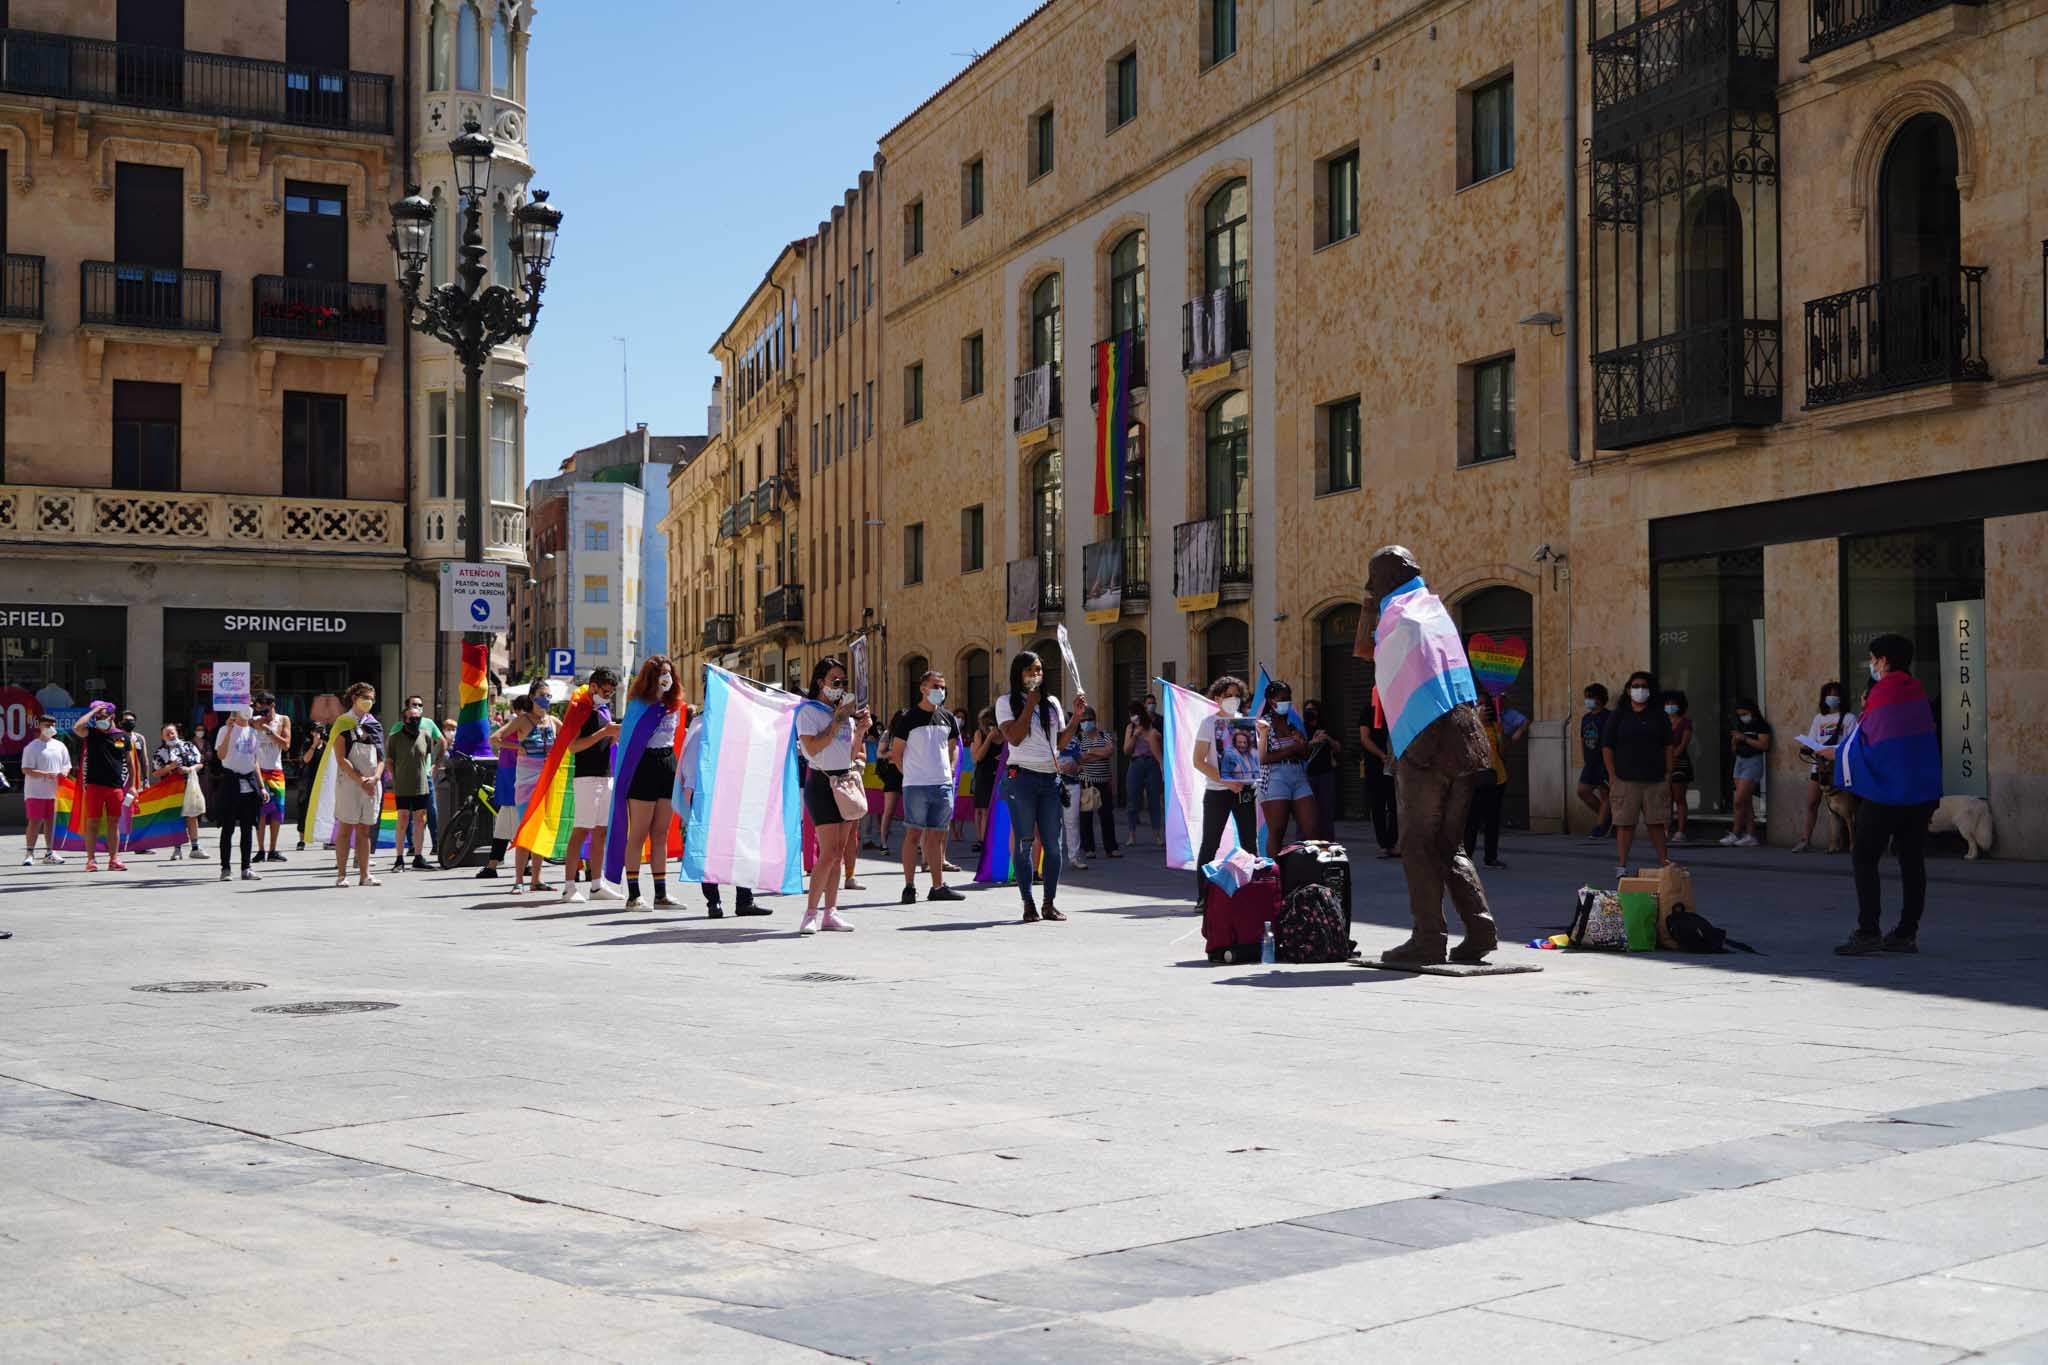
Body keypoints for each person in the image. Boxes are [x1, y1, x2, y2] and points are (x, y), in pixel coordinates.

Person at [1351, 546, 1500, 966]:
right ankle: (1480, 929)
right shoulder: (1435, 612)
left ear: (1383, 580)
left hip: (1426, 742)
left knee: (1416, 844)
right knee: (1449, 845)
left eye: (1373, 578)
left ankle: (1428, 939)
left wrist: (1368, 601)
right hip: (1467, 740)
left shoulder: (1401, 616)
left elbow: (1365, 649)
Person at [1828, 633, 1940, 955]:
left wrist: (1836, 754)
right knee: (1912, 861)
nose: (1872, 664)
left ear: (1885, 661)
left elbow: (1869, 742)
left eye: (1874, 658)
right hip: (1919, 792)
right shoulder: (1916, 691)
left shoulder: (1883, 692)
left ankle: (1868, 930)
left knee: (1864, 855)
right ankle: (1906, 932)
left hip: (1886, 792)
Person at [995, 649, 1081, 923]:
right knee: (1024, 842)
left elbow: (1060, 743)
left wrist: (1077, 717)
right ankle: (1028, 902)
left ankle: (1049, 902)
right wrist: (1029, 704)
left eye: (1040, 670)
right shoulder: (1006, 702)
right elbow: (1016, 739)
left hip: (1050, 779)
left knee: (1054, 846)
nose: (1036, 675)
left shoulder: (1052, 703)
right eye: (1030, 670)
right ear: (1018, 674)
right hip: (1022, 778)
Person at [796, 657, 868, 934]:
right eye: (835, 681)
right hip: (822, 783)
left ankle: (831, 911)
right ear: (820, 683)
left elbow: (849, 754)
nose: (840, 687)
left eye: (843, 682)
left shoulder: (845, 715)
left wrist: (859, 731)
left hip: (844, 781)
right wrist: (837, 722)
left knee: (838, 853)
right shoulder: (809, 712)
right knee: (827, 853)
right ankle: (810, 912)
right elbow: (812, 749)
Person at [889, 668, 967, 904]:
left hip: (942, 784)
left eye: (943, 687)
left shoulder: (948, 718)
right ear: (923, 689)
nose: (940, 691)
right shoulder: (908, 719)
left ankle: (937, 886)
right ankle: (909, 887)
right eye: (935, 686)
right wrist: (909, 776)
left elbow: (953, 747)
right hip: (916, 786)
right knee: (913, 834)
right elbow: (897, 754)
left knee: (936, 836)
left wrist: (952, 769)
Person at [678, 707, 765, 917]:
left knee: (741, 847)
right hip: (707, 797)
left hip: (734, 795)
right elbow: (690, 766)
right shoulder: (701, 728)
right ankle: (713, 902)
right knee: (710, 851)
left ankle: (745, 900)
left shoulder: (735, 727)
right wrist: (692, 796)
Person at [619, 656, 683, 910]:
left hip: (667, 764)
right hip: (643, 767)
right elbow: (629, 741)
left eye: (669, 673)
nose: (666, 678)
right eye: (661, 674)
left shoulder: (674, 705)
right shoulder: (637, 705)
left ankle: (661, 894)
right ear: (650, 678)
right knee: (638, 833)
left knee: (661, 833)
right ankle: (633, 895)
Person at [1601, 670, 1675, 879]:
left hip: (1655, 778)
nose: (1639, 690)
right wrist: (1612, 775)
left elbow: (1668, 745)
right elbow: (1607, 746)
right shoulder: (1619, 715)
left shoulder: (1659, 715)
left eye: (1643, 686)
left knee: (1657, 822)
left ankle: (1664, 862)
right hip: (1625, 779)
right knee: (1625, 824)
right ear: (1628, 689)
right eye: (1635, 686)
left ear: (1650, 690)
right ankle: (1622, 865)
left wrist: (1669, 772)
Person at [1192, 675, 1259, 903]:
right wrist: (1225, 781)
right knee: (1211, 843)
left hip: (1244, 791)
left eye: (1236, 696)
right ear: (1218, 697)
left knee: (1250, 843)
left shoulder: (1246, 722)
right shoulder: (1209, 723)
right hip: (1217, 792)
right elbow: (1199, 760)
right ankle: (1203, 897)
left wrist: (1264, 733)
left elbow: (1254, 757)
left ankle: (1253, 893)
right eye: (1227, 696)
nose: (1232, 700)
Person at [560, 668, 622, 902]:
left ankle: (597, 885)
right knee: (581, 829)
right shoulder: (580, 709)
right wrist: (604, 732)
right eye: (605, 691)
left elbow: (603, 736)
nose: (608, 696)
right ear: (593, 686)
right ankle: (569, 886)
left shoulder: (602, 710)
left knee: (601, 830)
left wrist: (611, 734)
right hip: (586, 777)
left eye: (611, 693)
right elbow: (573, 746)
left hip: (605, 774)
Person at [481, 694, 547, 891]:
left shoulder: (546, 723)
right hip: (516, 777)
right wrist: (519, 747)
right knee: (517, 828)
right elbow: (495, 739)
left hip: (528, 778)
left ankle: (500, 865)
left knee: (517, 828)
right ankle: (512, 873)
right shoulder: (519, 723)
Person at [72, 702, 139, 872]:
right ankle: (91, 860)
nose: (100, 720)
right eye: (98, 718)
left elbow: (130, 764)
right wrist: (94, 711)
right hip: (95, 786)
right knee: (92, 822)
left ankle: (114, 859)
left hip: (115, 787)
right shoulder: (92, 733)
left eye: (104, 717)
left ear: (112, 717)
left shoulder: (122, 736)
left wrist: (132, 786)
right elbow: (77, 727)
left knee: (114, 822)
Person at [331, 683, 385, 888]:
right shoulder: (342, 723)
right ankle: (341, 874)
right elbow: (341, 758)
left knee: (365, 830)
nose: (369, 701)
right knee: (346, 828)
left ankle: (365, 875)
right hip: (350, 783)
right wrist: (360, 779)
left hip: (372, 783)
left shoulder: (374, 724)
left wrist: (376, 778)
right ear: (354, 698)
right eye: (366, 697)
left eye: (372, 697)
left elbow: (381, 756)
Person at [1257, 680, 1319, 853]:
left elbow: (1305, 755)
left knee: (1312, 829)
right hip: (1275, 778)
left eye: (1289, 698)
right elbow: (1262, 758)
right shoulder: (1263, 725)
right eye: (1282, 699)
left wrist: (1303, 746)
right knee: (1277, 831)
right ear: (1271, 701)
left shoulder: (1292, 722)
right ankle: (1275, 874)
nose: (1286, 702)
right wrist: (1292, 748)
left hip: (1298, 775)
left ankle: (1313, 872)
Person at [383, 696, 442, 873]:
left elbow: (429, 756)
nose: (415, 721)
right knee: (402, 819)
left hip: (421, 785)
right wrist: (395, 778)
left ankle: (418, 857)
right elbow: (390, 761)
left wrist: (433, 768)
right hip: (402, 785)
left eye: (417, 718)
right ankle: (399, 858)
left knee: (420, 819)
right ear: (404, 720)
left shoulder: (426, 735)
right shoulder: (394, 738)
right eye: (411, 718)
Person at [1794, 681, 1853, 854]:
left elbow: (1851, 742)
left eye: (1835, 695)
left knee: (1844, 809)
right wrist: (1807, 747)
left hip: (1839, 767)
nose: (1832, 698)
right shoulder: (1819, 718)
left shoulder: (1849, 718)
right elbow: (1813, 739)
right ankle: (1805, 839)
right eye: (1829, 695)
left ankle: (1844, 842)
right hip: (1819, 767)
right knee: (1812, 802)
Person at [212, 711, 270, 882]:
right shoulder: (224, 730)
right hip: (231, 783)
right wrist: (230, 730)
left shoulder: (253, 732)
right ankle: (226, 868)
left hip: (249, 786)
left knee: (248, 829)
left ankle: (246, 868)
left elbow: (255, 761)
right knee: (227, 829)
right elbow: (221, 755)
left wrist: (261, 786)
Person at [1462, 692, 1509, 869]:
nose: (1482, 708)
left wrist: (1502, 735)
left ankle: (1491, 856)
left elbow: (1503, 753)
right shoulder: (1469, 728)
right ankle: (1467, 857)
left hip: (1497, 778)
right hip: (1475, 779)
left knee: (1493, 820)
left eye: (1485, 705)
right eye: (1478, 704)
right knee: (1471, 820)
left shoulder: (1496, 727)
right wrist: (1477, 722)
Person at [244, 692, 292, 862]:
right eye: (258, 707)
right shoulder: (254, 721)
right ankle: (261, 850)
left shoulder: (283, 719)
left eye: (263, 707)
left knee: (277, 812)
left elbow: (286, 745)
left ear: (272, 705)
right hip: (258, 771)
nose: (261, 710)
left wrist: (269, 731)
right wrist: (255, 724)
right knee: (261, 812)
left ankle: (273, 849)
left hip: (276, 771)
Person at [21, 715, 72, 865]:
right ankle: (29, 853)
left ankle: (50, 852)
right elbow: (26, 769)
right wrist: (45, 774)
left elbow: (67, 765)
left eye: (52, 725)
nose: (50, 727)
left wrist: (64, 773)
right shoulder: (32, 747)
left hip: (56, 793)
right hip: (35, 792)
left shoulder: (60, 746)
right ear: (40, 726)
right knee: (35, 822)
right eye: (46, 725)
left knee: (52, 822)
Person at [1723, 697, 1771, 848]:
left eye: (1745, 713)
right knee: (1746, 801)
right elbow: (1733, 747)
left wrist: (1745, 738)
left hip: (1753, 761)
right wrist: (1735, 741)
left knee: (1738, 800)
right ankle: (1751, 834)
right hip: (1740, 760)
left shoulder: (1761, 725)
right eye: (1740, 714)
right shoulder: (1739, 725)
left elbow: (1764, 745)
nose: (1743, 717)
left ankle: (1735, 832)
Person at [153, 723, 206, 861]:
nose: (170, 735)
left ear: (177, 733)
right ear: (162, 736)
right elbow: (156, 773)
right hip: (171, 789)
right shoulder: (160, 752)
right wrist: (170, 767)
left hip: (189, 785)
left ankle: (195, 848)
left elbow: (200, 763)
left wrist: (189, 769)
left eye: (172, 732)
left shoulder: (188, 745)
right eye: (167, 734)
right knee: (175, 817)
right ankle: (177, 849)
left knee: (192, 815)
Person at [1358, 687, 1399, 859]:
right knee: (1378, 806)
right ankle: (1383, 844)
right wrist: (1381, 755)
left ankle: (1393, 842)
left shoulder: (1396, 709)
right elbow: (1364, 738)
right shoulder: (1369, 710)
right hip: (1376, 765)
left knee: (1396, 805)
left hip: (1394, 765)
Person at [1075, 705, 1119, 860]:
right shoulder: (1079, 738)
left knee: (1107, 815)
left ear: (1094, 720)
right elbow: (1080, 758)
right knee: (1086, 815)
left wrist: (1090, 752)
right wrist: (1100, 754)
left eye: (1088, 719)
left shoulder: (1104, 735)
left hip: (1104, 780)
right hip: (1086, 781)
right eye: (1083, 720)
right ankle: (1088, 848)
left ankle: (1111, 848)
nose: (1085, 722)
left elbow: (1110, 750)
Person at [1121, 700, 1164, 847]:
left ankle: (1157, 834)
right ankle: (1131, 835)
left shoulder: (1152, 726)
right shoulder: (1130, 728)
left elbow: (1161, 743)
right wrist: (1135, 735)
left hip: (1152, 763)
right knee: (1133, 799)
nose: (1133, 717)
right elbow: (1126, 750)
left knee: (1154, 800)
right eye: (1130, 715)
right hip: (1136, 763)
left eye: (1134, 714)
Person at [1578, 683, 1613, 840]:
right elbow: (1582, 739)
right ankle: (1607, 817)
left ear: (1599, 698)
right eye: (1586, 697)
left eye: (1589, 697)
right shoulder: (1585, 718)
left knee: (1605, 795)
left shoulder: (1608, 717)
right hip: (1590, 763)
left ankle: (1600, 828)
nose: (1587, 701)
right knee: (1583, 791)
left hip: (1604, 762)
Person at [1301, 700, 1338, 839]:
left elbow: (1338, 747)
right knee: (1306, 811)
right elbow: (1297, 749)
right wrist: (1312, 742)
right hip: (1306, 775)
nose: (1310, 712)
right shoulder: (1300, 728)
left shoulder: (1326, 728)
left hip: (1325, 773)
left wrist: (1327, 739)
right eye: (1307, 710)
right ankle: (1306, 842)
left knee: (1326, 811)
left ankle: (1328, 843)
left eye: (1313, 710)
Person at [1664, 691, 1695, 844]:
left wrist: (1672, 755)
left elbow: (1683, 745)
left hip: (1680, 763)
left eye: (1673, 703)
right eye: (1667, 703)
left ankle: (1681, 831)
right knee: (1666, 798)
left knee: (1679, 797)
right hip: (1663, 764)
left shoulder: (1685, 723)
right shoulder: (1662, 721)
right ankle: (1665, 829)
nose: (1669, 706)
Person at [971, 707, 1002, 851]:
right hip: (984, 775)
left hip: (1001, 775)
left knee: (996, 808)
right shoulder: (980, 734)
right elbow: (977, 757)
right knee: (982, 809)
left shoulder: (1006, 735)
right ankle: (982, 840)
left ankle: (994, 838)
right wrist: (989, 738)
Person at [297, 722, 328, 851]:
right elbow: (305, 759)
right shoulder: (307, 744)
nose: (319, 733)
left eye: (321, 730)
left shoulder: (326, 745)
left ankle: (327, 839)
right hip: (308, 781)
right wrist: (314, 745)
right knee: (304, 809)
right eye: (316, 730)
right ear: (311, 732)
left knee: (325, 810)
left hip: (323, 782)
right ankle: (302, 840)